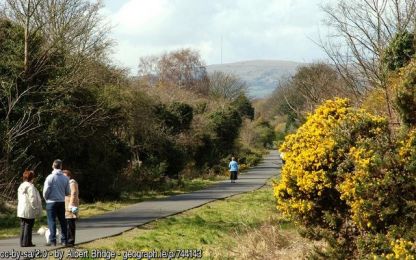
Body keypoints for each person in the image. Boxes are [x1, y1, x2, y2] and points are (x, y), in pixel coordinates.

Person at [43, 159, 70, 246]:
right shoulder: (65, 178)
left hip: (51, 201)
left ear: (53, 166)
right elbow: (68, 192)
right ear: (61, 167)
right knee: (63, 221)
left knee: (52, 221)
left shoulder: (50, 177)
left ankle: (53, 241)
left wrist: (46, 199)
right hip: (61, 201)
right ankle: (64, 240)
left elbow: (45, 191)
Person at [17, 170, 42, 247]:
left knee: (23, 225)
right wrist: (36, 208)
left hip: (21, 208)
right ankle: (27, 242)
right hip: (29, 209)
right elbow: (33, 199)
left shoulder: (21, 185)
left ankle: (22, 242)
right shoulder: (30, 186)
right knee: (28, 226)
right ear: (32, 178)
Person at [63, 170, 79, 246]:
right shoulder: (66, 183)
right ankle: (67, 239)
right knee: (68, 222)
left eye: (65, 176)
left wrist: (71, 204)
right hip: (67, 205)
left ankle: (70, 240)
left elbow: (74, 193)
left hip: (72, 205)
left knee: (71, 222)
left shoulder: (72, 183)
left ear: (69, 176)